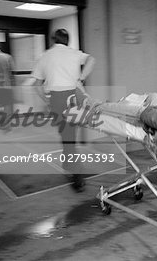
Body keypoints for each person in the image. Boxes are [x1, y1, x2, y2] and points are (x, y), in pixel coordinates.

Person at [31, 28, 96, 192]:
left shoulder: (45, 56)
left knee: (67, 136)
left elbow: (36, 85)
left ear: (54, 40)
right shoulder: (74, 53)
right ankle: (71, 166)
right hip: (75, 95)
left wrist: (47, 100)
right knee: (69, 135)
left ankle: (76, 174)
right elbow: (92, 60)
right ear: (68, 40)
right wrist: (81, 78)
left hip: (57, 98)